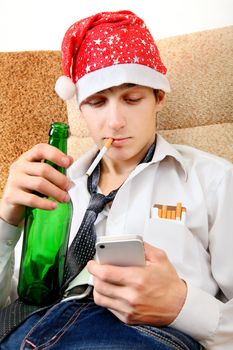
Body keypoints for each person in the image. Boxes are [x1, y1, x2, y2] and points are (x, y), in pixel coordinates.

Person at [0, 9, 232, 350]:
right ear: (81, 110)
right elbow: (13, 300)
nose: (115, 122)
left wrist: (183, 305)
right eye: (96, 102)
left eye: (132, 98)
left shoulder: (213, 180)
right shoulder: (56, 186)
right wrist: (7, 221)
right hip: (27, 328)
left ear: (158, 98)